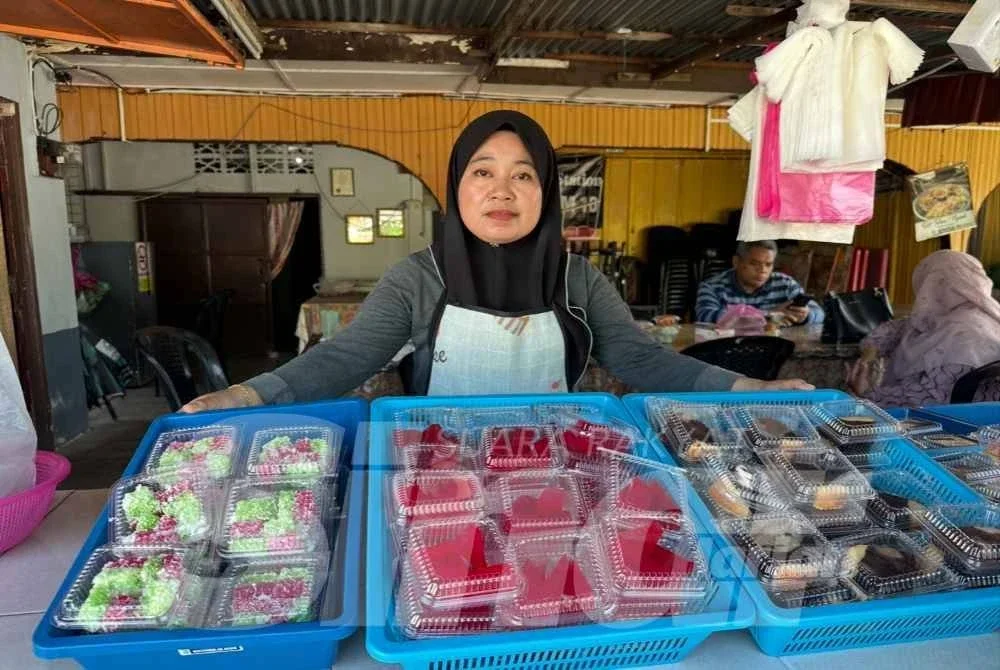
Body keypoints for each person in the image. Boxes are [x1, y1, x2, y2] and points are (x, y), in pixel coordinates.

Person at [181, 111, 811, 413]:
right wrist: (246, 393)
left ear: (547, 193)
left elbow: (643, 359)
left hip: (554, 464)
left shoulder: (578, 280)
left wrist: (748, 387)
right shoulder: (418, 278)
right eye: (482, 172)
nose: (501, 191)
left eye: (523, 175)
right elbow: (346, 358)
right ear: (457, 187)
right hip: (437, 471)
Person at [848, 250, 1000, 407]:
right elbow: (897, 329)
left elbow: (926, 401)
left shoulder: (961, 338)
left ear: (932, 286)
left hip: (954, 420)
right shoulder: (983, 316)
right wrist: (869, 354)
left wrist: (868, 394)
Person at [695, 240, 824, 326]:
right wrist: (768, 315)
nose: (762, 270)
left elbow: (820, 313)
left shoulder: (785, 284)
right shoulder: (713, 287)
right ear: (736, 262)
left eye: (768, 264)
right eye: (754, 264)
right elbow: (706, 316)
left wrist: (805, 316)